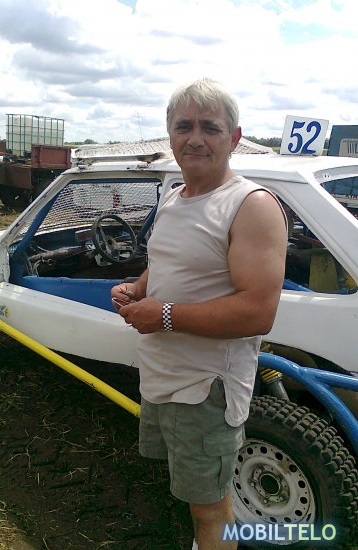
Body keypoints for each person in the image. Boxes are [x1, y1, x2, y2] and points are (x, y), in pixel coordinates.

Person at [111, 78, 287, 550]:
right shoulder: (175, 196)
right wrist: (138, 288)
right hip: (163, 377)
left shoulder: (250, 206)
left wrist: (164, 315)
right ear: (169, 134)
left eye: (210, 128)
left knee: (211, 510)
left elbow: (258, 312)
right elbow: (168, 261)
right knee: (197, 500)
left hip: (205, 390)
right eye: (184, 126)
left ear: (234, 138)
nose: (195, 138)